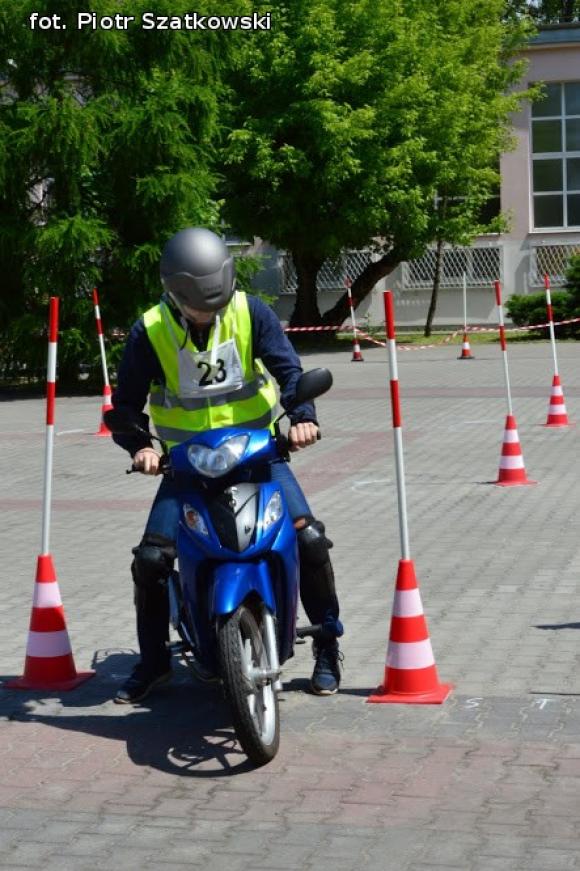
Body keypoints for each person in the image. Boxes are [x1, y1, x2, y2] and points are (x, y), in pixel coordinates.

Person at [110, 227, 343, 704]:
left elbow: (289, 372)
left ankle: (326, 644)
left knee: (309, 538)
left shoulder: (250, 311)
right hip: (185, 469)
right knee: (152, 561)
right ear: (175, 295)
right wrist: (139, 446)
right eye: (199, 307)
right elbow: (126, 405)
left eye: (216, 303)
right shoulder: (150, 330)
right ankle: (154, 663)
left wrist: (302, 417)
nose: (209, 314)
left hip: (259, 459)